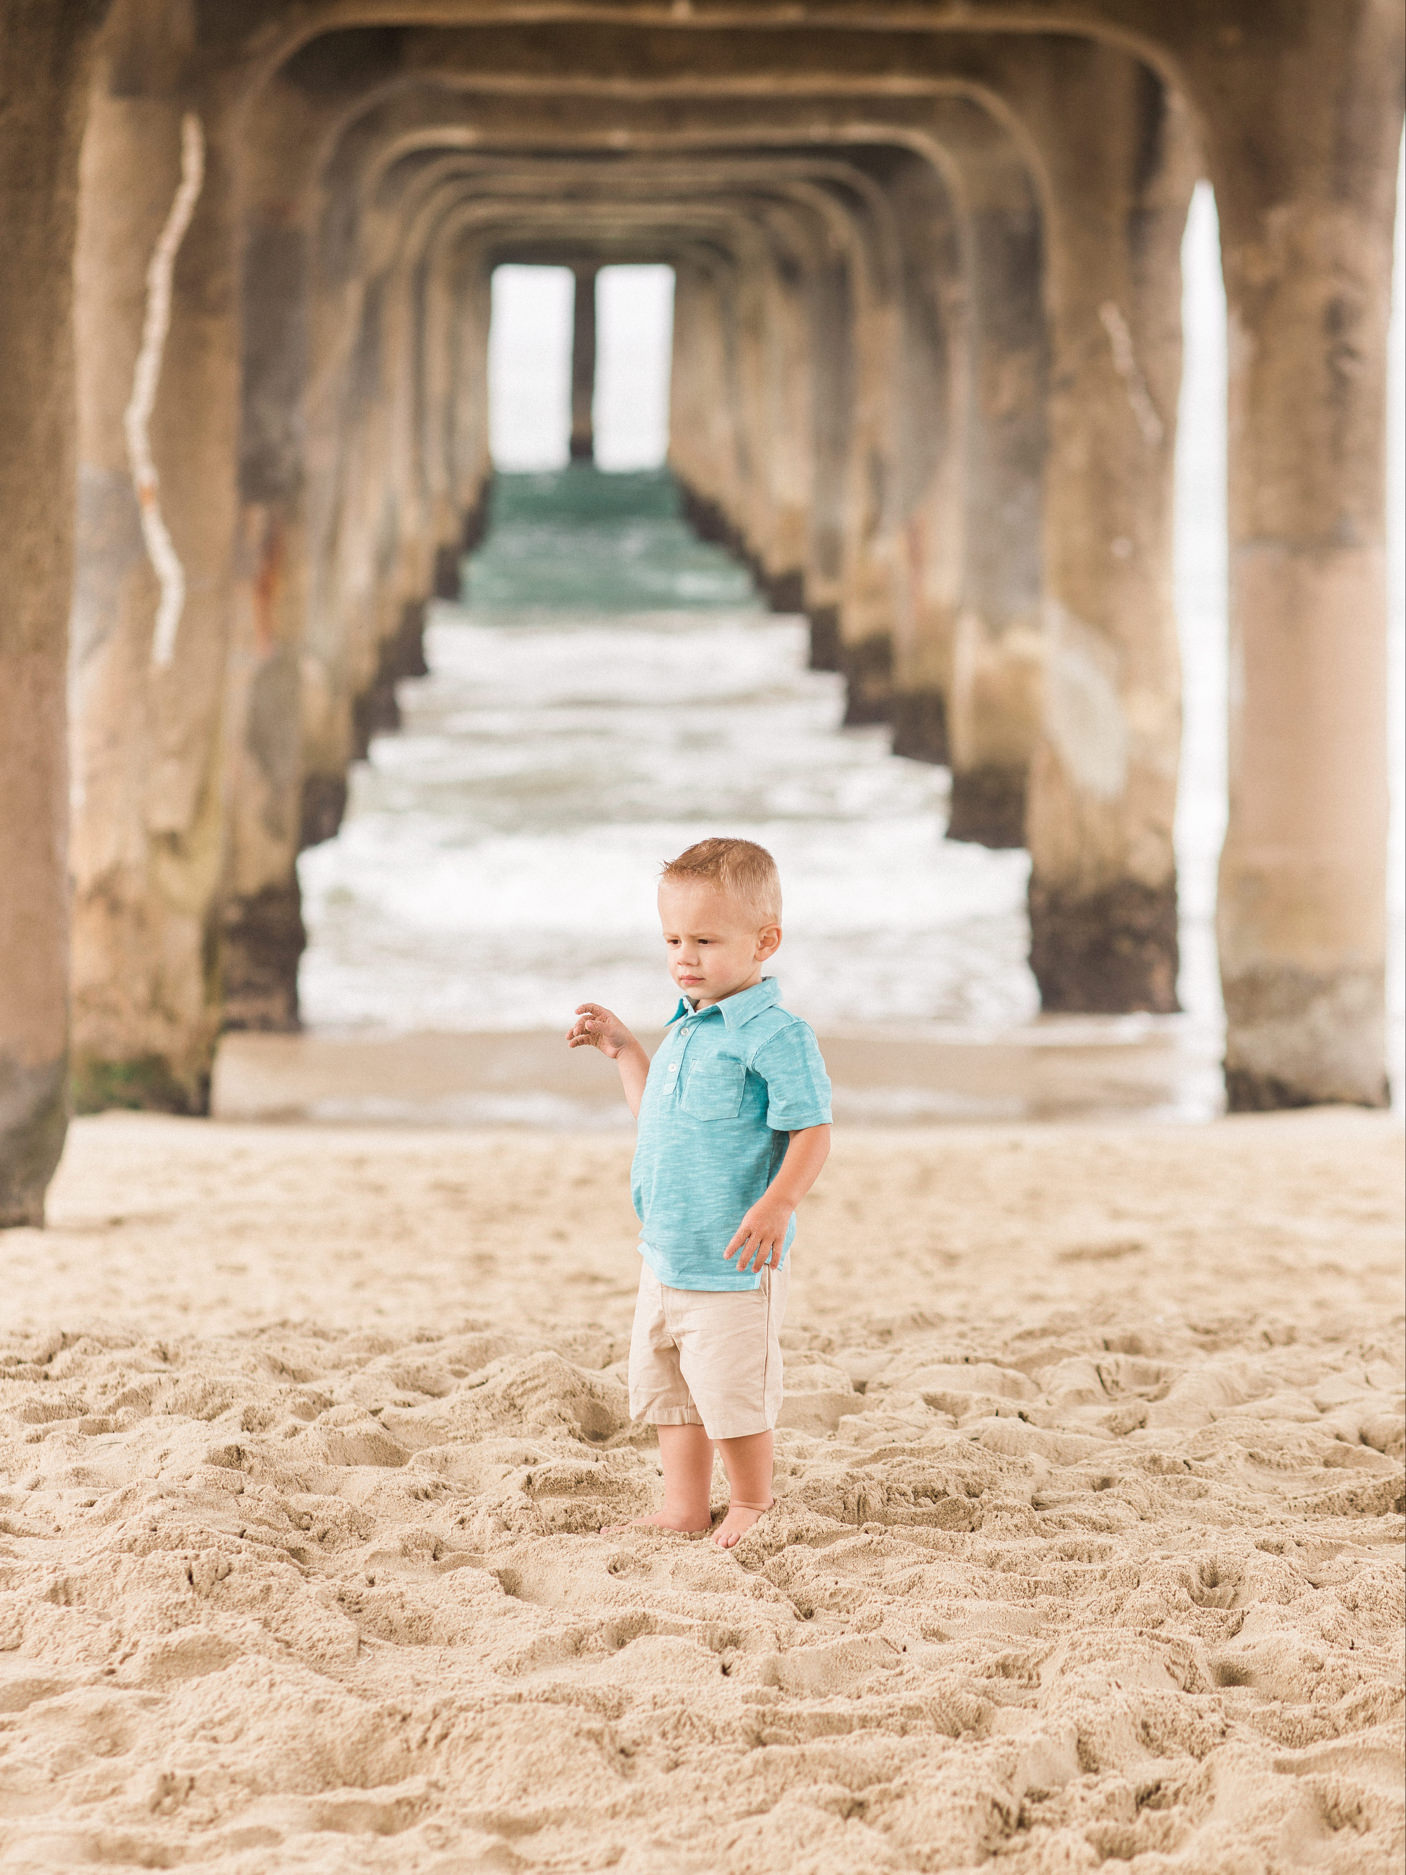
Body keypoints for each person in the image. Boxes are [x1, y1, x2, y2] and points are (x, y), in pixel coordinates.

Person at [566, 837, 831, 1548]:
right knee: (672, 1389)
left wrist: (778, 1203)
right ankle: (684, 1502)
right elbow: (654, 1110)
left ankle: (751, 1498)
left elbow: (813, 1131)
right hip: (666, 1252)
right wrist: (626, 1051)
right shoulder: (686, 1024)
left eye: (706, 940)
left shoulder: (774, 1036)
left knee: (731, 1390)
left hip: (731, 1258)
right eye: (674, 939)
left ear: (763, 941)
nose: (685, 956)